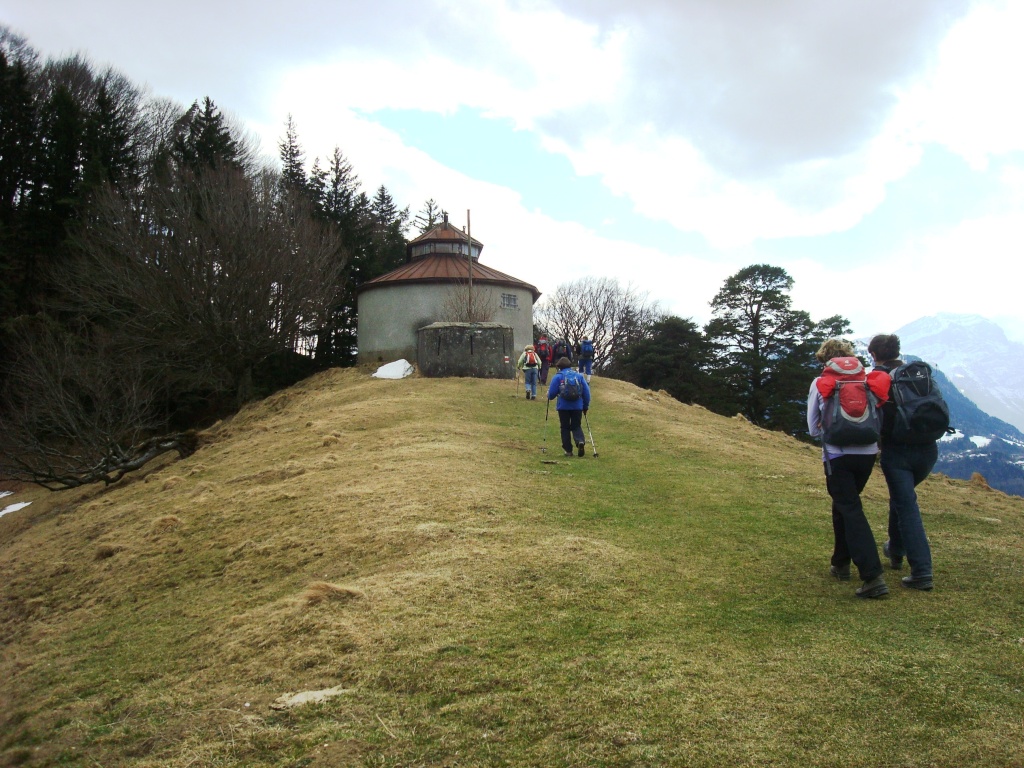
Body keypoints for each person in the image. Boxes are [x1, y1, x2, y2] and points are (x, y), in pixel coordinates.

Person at [807, 338, 891, 599]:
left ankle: (872, 576)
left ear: (825, 360)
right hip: (867, 453)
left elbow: (812, 428)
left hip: (837, 455)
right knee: (844, 504)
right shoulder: (867, 378)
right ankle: (840, 563)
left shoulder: (820, 382)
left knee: (850, 509)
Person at [868, 333, 936, 591]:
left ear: (874, 354)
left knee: (906, 506)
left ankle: (922, 572)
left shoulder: (879, 377)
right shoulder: (916, 374)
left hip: (897, 452)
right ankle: (895, 550)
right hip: (928, 449)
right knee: (901, 499)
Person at [547, 357, 591, 457]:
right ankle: (580, 441)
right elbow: (586, 393)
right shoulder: (579, 376)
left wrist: (548, 395)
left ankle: (568, 450)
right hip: (577, 406)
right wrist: (585, 406)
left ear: (559, 367)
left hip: (563, 407)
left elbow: (551, 395)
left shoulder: (558, 377)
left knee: (565, 427)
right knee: (576, 425)